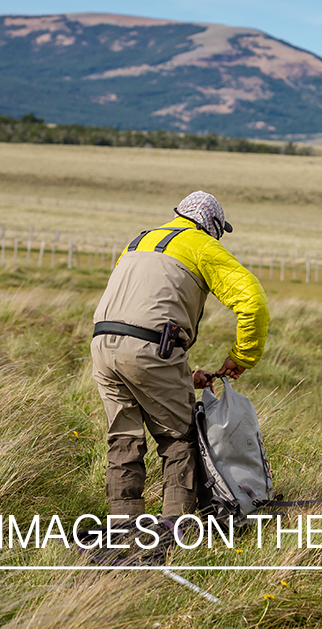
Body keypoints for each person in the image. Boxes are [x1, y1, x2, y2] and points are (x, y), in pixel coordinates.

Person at [91, 191, 269, 518]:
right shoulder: (203, 245)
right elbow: (253, 302)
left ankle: (123, 527)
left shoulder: (139, 241)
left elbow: (141, 315)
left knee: (123, 441)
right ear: (213, 225)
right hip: (152, 347)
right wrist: (242, 356)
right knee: (179, 439)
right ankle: (176, 530)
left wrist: (183, 375)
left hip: (103, 345)